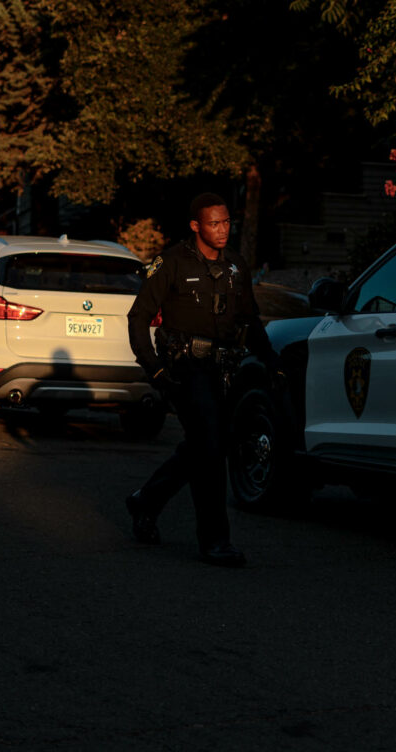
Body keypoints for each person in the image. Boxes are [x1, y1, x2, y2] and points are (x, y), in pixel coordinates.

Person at [124, 192, 272, 568]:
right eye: (214, 223)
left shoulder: (237, 266)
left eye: (226, 222)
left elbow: (250, 320)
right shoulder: (170, 262)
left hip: (224, 369)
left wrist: (273, 361)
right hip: (185, 370)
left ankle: (146, 501)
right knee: (210, 445)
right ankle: (215, 541)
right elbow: (138, 317)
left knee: (204, 446)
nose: (222, 230)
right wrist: (154, 369)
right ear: (196, 226)